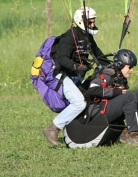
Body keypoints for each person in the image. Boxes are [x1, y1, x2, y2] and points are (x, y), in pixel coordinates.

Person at [42, 6, 111, 147]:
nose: (93, 25)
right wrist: (76, 66)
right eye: (90, 22)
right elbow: (61, 58)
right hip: (61, 76)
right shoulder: (69, 36)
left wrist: (114, 66)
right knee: (79, 102)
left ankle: (82, 130)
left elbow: (98, 56)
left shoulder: (87, 37)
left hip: (75, 77)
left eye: (93, 22)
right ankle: (53, 128)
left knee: (90, 97)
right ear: (81, 21)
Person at [86, 49, 138, 146]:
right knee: (130, 97)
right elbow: (92, 89)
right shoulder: (107, 73)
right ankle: (131, 135)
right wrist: (115, 92)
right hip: (98, 113)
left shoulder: (119, 75)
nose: (132, 71)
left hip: (108, 108)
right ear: (120, 65)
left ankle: (126, 133)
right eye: (130, 67)